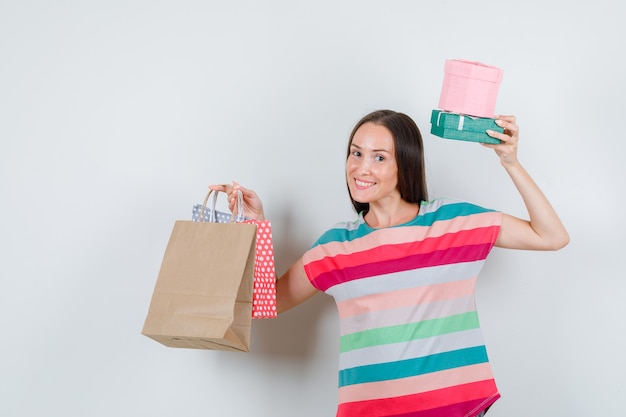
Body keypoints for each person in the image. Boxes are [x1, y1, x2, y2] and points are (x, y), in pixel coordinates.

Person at [210, 110, 569, 417]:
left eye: (379, 157)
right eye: (356, 153)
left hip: (453, 408)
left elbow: (551, 236)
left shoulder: (452, 222)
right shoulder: (336, 246)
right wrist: (254, 224)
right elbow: (262, 304)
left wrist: (510, 161)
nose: (361, 168)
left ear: (405, 163)